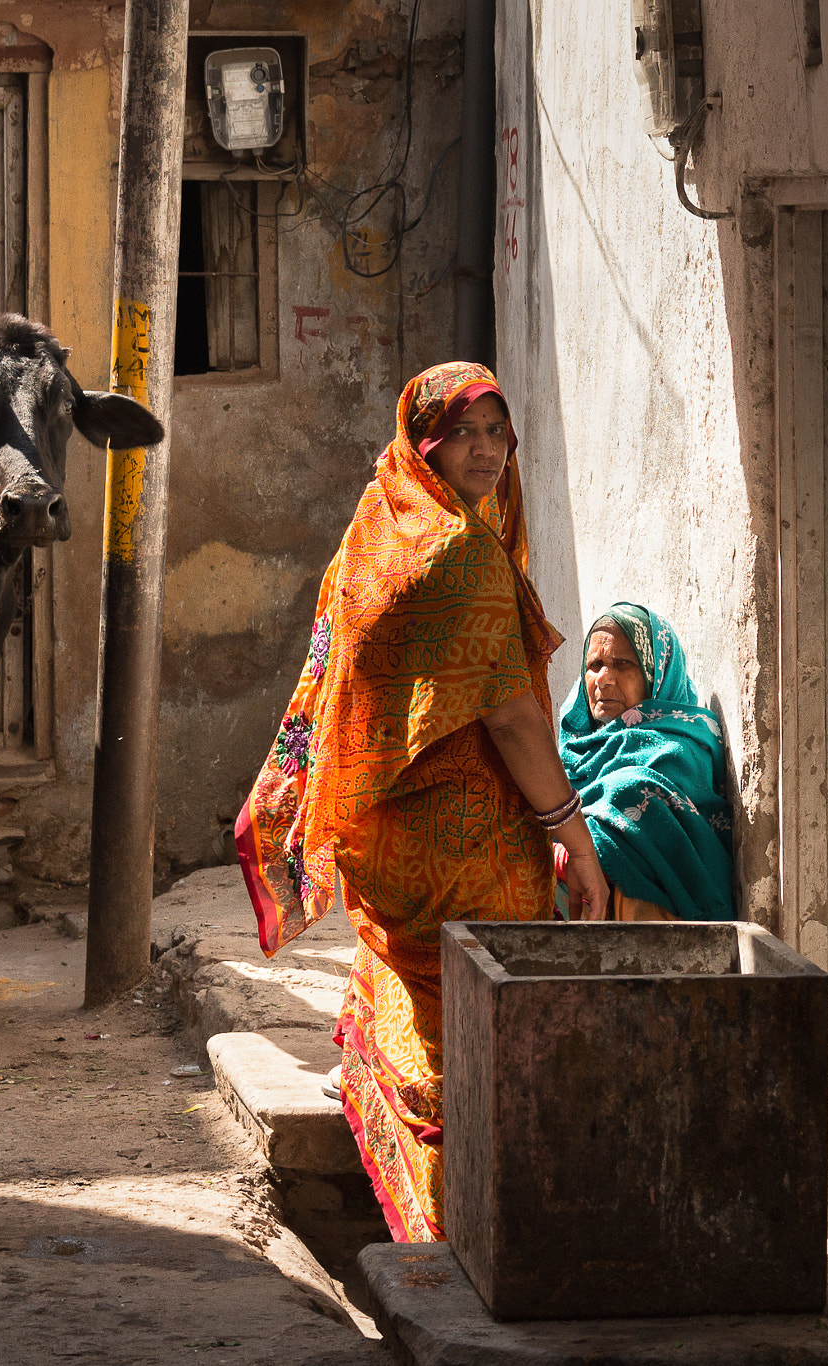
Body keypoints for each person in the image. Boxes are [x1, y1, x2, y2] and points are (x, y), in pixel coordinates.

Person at [234, 361, 608, 1243]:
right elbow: (512, 718)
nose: (485, 451)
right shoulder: (461, 552)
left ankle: (426, 1183)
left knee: (420, 993)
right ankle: (451, 1232)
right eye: (462, 433)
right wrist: (575, 841)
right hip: (460, 847)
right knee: (470, 1037)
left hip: (383, 831)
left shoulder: (379, 522)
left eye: (496, 431)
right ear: (424, 443)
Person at [554, 604, 736, 921]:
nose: (603, 679)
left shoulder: (681, 747)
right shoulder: (567, 757)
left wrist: (564, 852)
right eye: (594, 665)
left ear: (657, 673)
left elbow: (639, 813)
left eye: (623, 664)